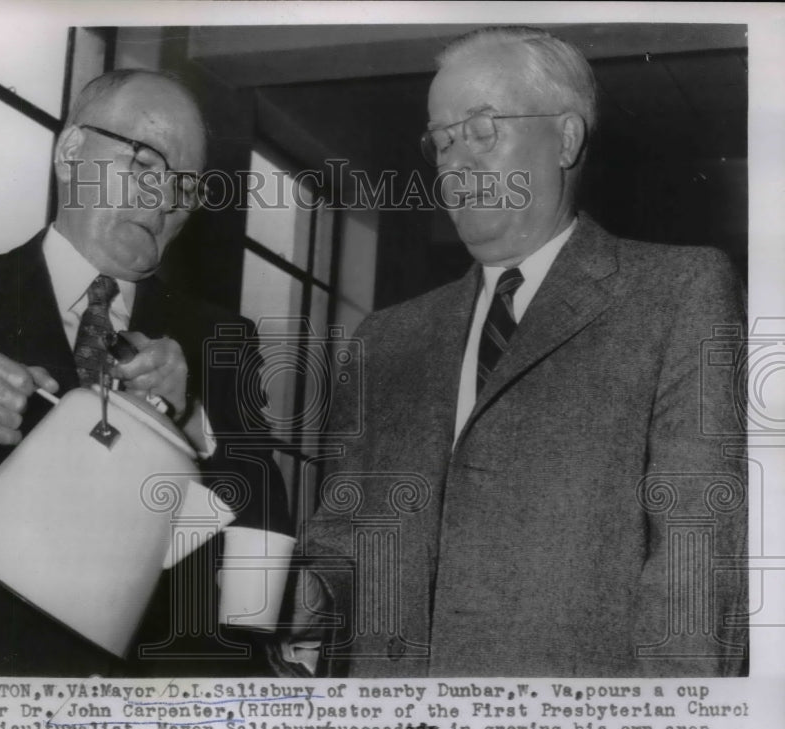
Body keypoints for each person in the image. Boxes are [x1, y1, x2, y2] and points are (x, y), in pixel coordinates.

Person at [282, 26, 748, 678]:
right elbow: (343, 539)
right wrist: (307, 593)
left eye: (481, 130)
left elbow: (696, 571)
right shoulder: (385, 340)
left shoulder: (677, 295)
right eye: (440, 139)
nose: (455, 161)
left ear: (565, 137)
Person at [0, 69, 290, 676]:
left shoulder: (221, 339)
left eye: (186, 185)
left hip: (152, 724)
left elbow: (262, 567)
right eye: (145, 161)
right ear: (70, 151)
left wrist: (199, 422)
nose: (164, 198)